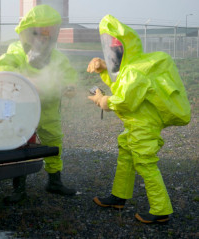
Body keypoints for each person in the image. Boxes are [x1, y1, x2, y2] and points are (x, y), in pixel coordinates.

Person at [87, 15, 191, 224]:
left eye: (114, 46)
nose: (111, 52)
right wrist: (104, 69)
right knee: (126, 155)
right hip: (135, 124)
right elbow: (121, 82)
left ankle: (161, 209)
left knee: (145, 162)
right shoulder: (130, 69)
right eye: (109, 46)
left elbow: (125, 100)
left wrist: (101, 100)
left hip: (143, 124)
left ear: (125, 47)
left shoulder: (134, 72)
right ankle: (119, 196)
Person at [0, 4, 77, 203]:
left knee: (54, 142)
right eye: (38, 33)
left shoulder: (57, 57)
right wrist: (26, 82)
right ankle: (19, 188)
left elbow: (69, 76)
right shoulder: (16, 50)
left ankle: (54, 182)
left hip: (49, 110)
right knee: (22, 145)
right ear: (28, 33)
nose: (43, 38)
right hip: (24, 108)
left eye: (47, 34)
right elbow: (3, 68)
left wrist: (70, 87)